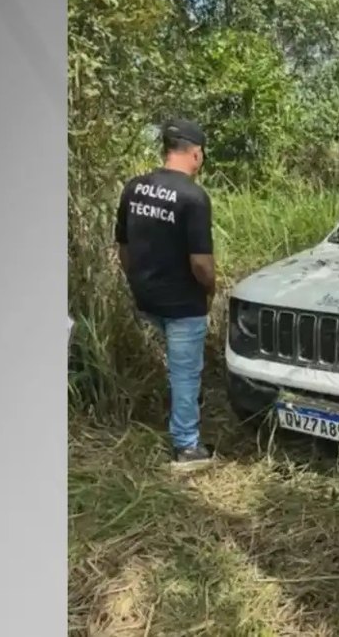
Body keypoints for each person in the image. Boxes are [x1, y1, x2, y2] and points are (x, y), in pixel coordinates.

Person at [114, 119, 217, 468]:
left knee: (175, 367)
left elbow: (123, 247)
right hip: (182, 303)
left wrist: (136, 280)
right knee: (186, 372)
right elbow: (201, 264)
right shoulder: (193, 197)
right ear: (196, 154)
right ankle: (187, 446)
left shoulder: (134, 187)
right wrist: (211, 290)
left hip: (146, 297)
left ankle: (180, 409)